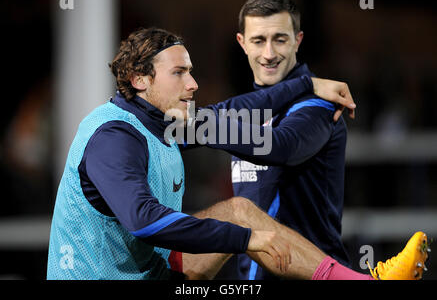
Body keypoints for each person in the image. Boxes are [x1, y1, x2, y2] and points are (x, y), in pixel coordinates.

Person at [47, 27, 428, 280]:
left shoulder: (166, 122)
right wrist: (245, 240)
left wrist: (307, 85)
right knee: (242, 225)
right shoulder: (113, 136)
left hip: (151, 271)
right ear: (140, 79)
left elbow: (237, 110)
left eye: (191, 71)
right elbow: (143, 220)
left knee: (240, 211)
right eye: (179, 73)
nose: (193, 84)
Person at [181, 0, 430, 280]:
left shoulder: (319, 105)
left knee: (237, 212)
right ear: (242, 43)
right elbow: (179, 130)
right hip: (253, 279)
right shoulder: (250, 107)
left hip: (307, 275)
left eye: (280, 39)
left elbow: (282, 146)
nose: (269, 53)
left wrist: (201, 126)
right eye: (259, 41)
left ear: (298, 40)